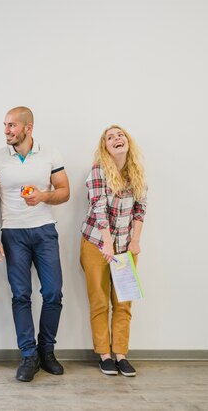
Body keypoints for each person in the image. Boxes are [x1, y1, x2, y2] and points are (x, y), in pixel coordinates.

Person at [0, 106, 70, 382]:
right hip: (13, 234)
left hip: (44, 231)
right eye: (5, 125)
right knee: (21, 295)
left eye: (11, 126)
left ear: (28, 128)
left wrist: (43, 196)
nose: (6, 130)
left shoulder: (50, 153)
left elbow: (64, 191)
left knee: (53, 292)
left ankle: (47, 350)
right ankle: (29, 355)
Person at [80, 125, 147, 377]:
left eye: (120, 135)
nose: (117, 139)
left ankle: (121, 354)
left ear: (127, 141)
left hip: (125, 246)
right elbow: (98, 208)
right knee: (99, 301)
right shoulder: (98, 170)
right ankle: (104, 355)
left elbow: (140, 208)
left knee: (124, 301)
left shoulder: (136, 172)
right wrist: (107, 243)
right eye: (110, 137)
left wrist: (135, 242)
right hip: (96, 243)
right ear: (105, 147)